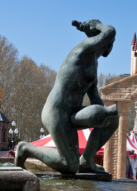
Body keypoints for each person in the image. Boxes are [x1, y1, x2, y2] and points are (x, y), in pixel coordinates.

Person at [15, 19, 118, 174]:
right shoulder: (83, 50)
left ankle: (87, 161)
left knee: (112, 120)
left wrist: (102, 115)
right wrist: (98, 25)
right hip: (56, 111)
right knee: (69, 165)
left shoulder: (93, 65)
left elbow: (95, 99)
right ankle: (25, 149)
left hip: (73, 113)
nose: (111, 44)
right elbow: (110, 30)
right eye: (111, 41)